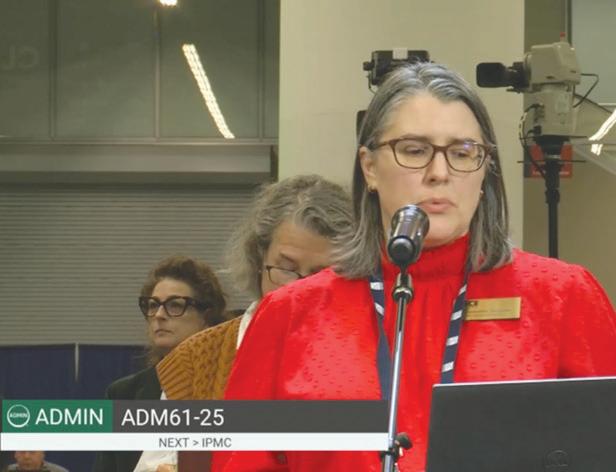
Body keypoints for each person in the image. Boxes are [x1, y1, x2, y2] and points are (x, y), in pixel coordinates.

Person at [211, 63, 616, 472]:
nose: (439, 173)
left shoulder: (562, 296)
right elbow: (244, 462)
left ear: (484, 171)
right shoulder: (290, 313)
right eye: (414, 150)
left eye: (462, 153)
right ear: (369, 167)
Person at [155, 175, 353, 469]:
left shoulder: (366, 358)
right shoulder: (195, 361)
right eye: (287, 269)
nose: (300, 289)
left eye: (321, 275)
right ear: (258, 259)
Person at [93, 256, 226, 472]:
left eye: (175, 305)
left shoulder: (231, 388)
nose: (159, 315)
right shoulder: (123, 394)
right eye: (153, 305)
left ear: (206, 316)